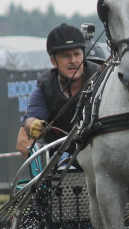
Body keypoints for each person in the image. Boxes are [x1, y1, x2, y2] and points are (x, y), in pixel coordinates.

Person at [17, 23, 101, 152]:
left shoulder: (100, 78)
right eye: (66, 56)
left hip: (99, 155)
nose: (73, 60)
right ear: (53, 61)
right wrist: (33, 125)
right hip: (59, 163)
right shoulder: (46, 86)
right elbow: (30, 120)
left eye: (77, 54)